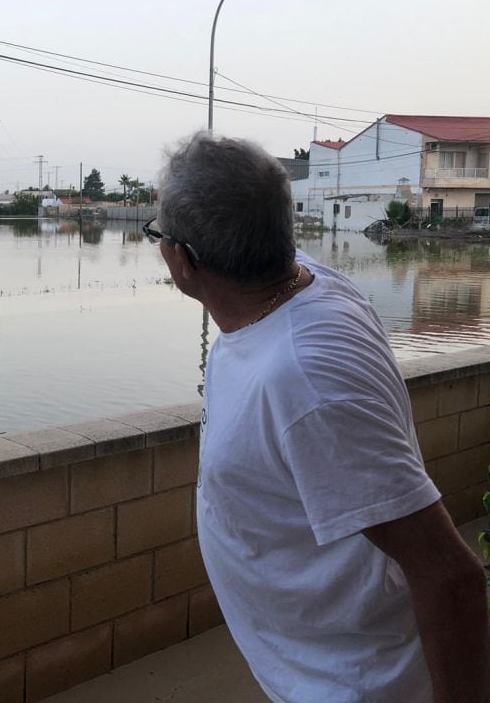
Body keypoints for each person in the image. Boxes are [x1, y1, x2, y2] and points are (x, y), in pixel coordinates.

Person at [148, 132, 488, 703]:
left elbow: (451, 577)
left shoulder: (305, 382)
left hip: (355, 685)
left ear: (181, 261)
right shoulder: (306, 282)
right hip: (312, 670)